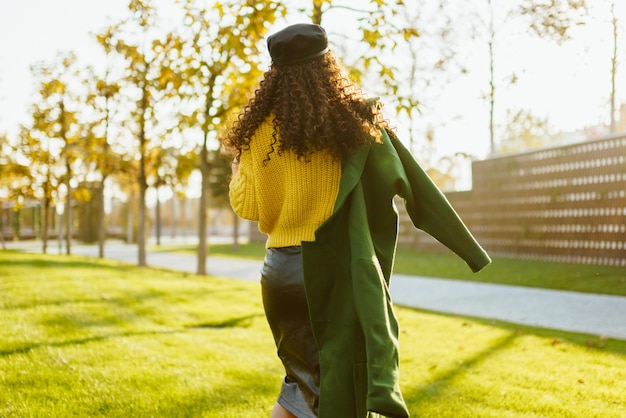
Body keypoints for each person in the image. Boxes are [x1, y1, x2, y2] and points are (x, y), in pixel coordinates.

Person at [224, 23, 491, 418]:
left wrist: (237, 172)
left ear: (274, 74)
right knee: (338, 393)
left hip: (278, 275)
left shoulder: (258, 132)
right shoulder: (355, 123)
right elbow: (416, 186)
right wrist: (470, 251)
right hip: (330, 275)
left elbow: (247, 206)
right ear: (328, 64)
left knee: (300, 386)